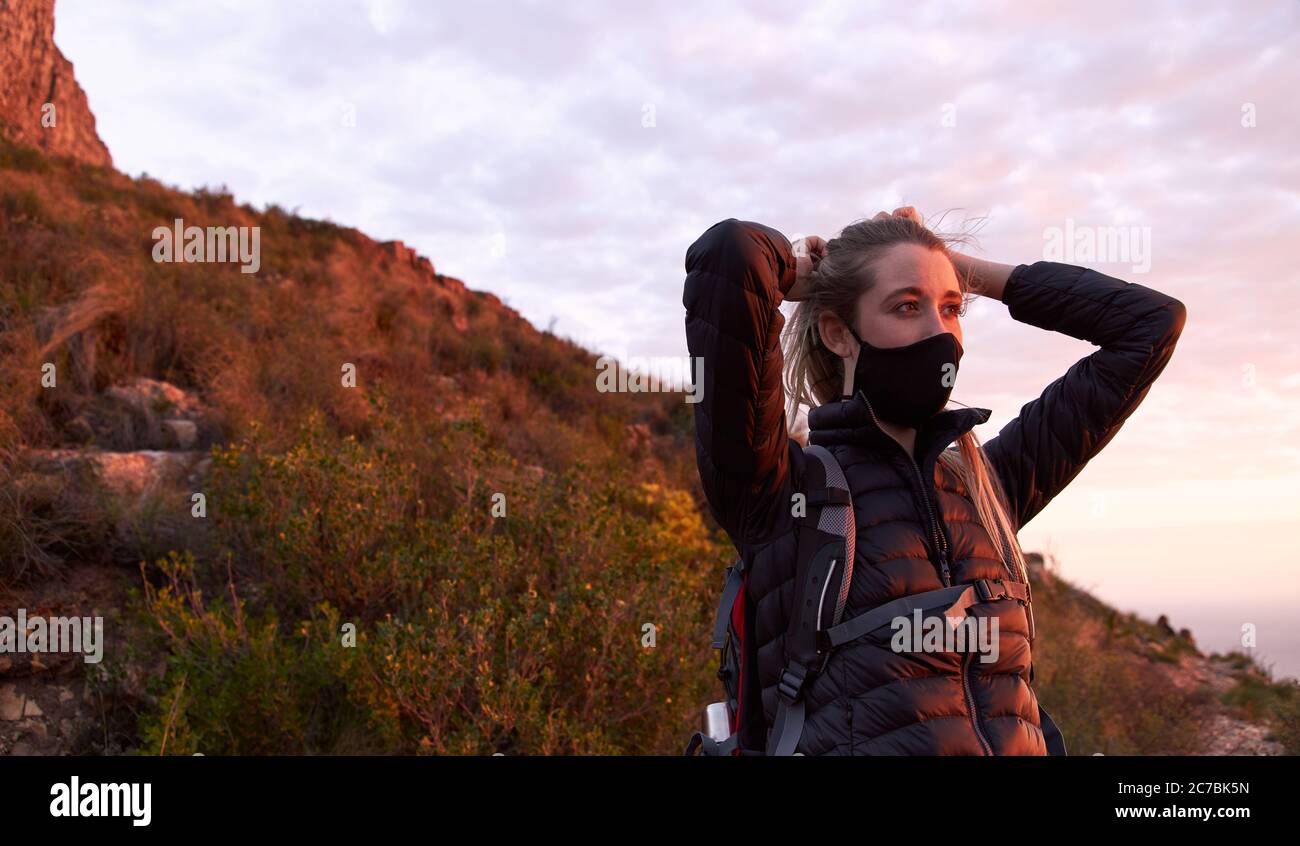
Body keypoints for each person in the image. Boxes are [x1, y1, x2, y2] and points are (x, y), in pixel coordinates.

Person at [682, 207, 1186, 754]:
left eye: (951, 309)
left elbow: (1151, 323)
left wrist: (961, 269)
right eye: (906, 307)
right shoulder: (782, 492)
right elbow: (733, 255)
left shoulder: (987, 487)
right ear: (837, 333)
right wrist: (801, 269)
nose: (939, 333)